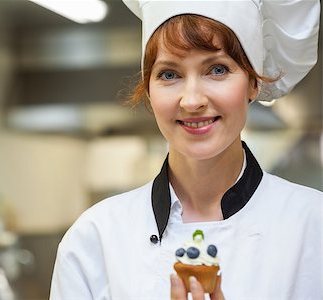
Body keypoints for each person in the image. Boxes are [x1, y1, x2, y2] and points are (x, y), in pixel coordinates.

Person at [50, 0, 322, 299]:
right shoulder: (95, 238)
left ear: (253, 83)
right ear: (150, 92)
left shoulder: (313, 225)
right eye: (169, 74)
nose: (191, 101)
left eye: (217, 69)